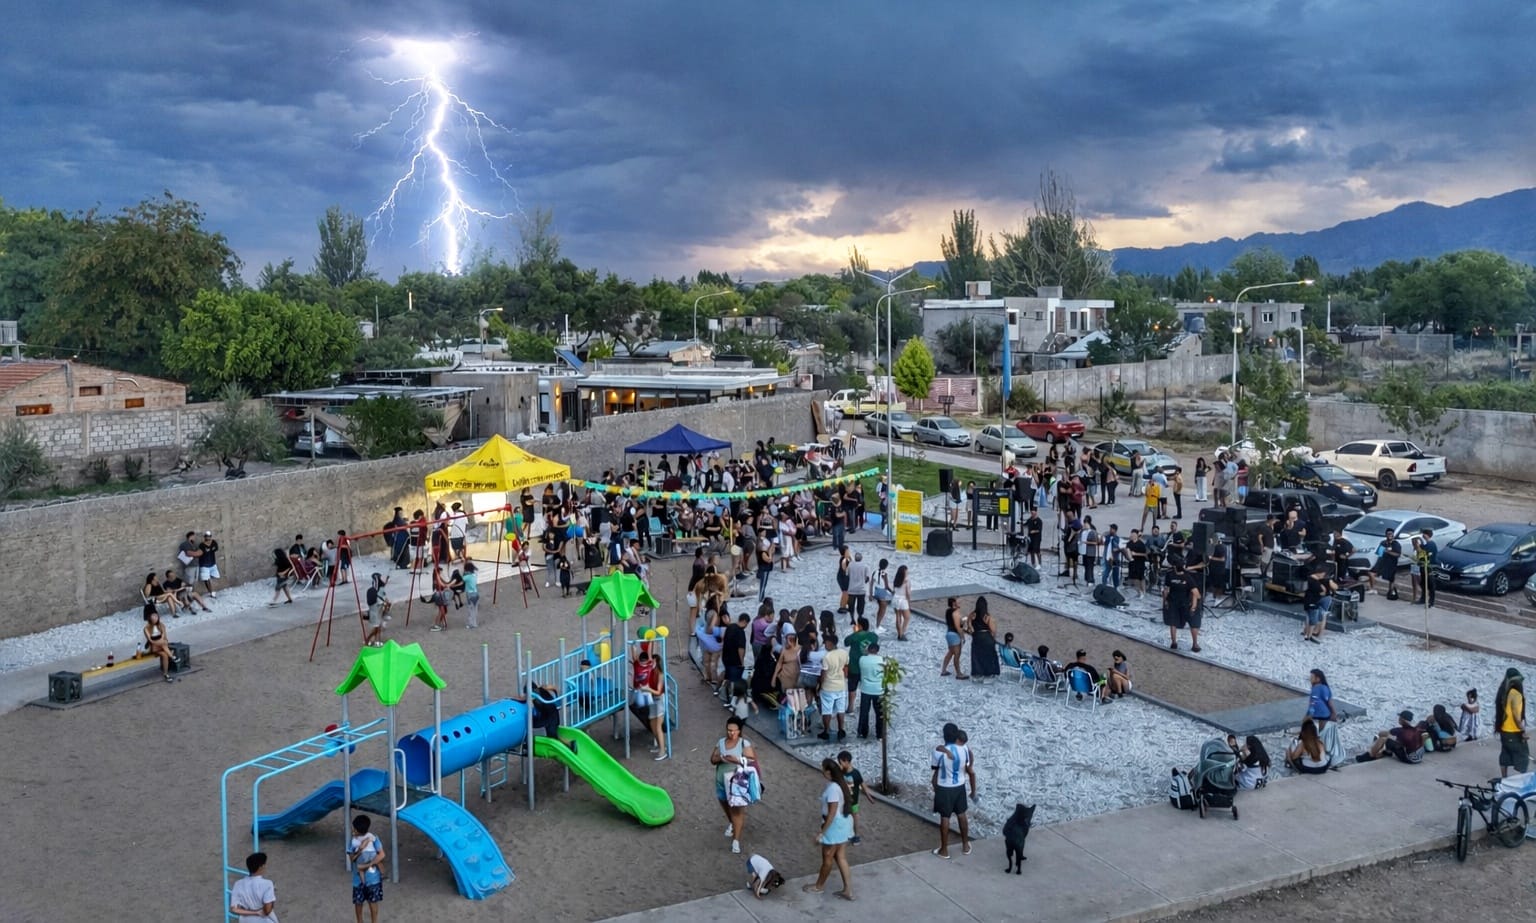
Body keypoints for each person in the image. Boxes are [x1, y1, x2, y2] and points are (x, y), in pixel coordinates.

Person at [804, 757, 855, 899]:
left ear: (828, 772)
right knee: (841, 857)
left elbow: (831, 814)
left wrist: (822, 833)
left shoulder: (832, 789)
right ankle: (848, 889)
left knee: (827, 858)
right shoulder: (840, 784)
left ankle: (819, 886)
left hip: (834, 827)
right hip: (844, 823)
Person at [712, 716, 757, 854]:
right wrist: (721, 758)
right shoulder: (721, 742)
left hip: (737, 785)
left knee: (737, 811)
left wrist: (737, 759)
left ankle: (736, 840)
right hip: (721, 782)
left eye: (734, 730)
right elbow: (712, 759)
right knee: (726, 806)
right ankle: (732, 823)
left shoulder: (744, 744)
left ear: (739, 731)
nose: (731, 733)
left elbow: (752, 759)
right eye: (729, 730)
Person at [930, 722, 974, 859]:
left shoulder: (938, 752)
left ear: (944, 735)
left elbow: (935, 770)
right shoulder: (964, 748)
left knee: (945, 817)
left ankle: (944, 850)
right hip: (959, 786)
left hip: (944, 787)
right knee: (961, 814)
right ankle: (965, 845)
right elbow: (969, 764)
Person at [348, 814, 386, 923]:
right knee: (368, 902)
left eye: (354, 828)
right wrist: (362, 850)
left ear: (358, 830)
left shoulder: (354, 841)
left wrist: (366, 865)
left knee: (360, 902)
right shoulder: (372, 838)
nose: (353, 830)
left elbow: (352, 859)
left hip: (365, 879)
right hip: (372, 877)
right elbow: (381, 855)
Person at [1161, 559, 1202, 652]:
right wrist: (1194, 606)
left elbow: (1166, 590)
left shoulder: (1169, 575)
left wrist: (1165, 602)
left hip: (1173, 602)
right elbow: (1196, 594)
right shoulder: (1188, 577)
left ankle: (1173, 643)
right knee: (1193, 623)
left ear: (1174, 567)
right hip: (1186, 604)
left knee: (1173, 623)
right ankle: (1195, 644)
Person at [1357, 711, 1425, 764]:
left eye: (1400, 718)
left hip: (1410, 759)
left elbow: (1381, 733)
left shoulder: (1399, 731)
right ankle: (1387, 752)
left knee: (1382, 739)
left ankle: (1369, 756)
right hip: (1419, 757)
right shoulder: (1418, 728)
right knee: (1393, 741)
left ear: (1402, 719)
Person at [1496, 667, 1529, 777]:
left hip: (1504, 730)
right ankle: (1523, 780)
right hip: (1513, 731)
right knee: (1523, 756)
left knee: (1505, 753)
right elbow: (1516, 717)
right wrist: (1523, 731)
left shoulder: (1505, 693)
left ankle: (1504, 778)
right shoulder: (1516, 695)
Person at [818, 633, 849, 741]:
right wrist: (844, 677)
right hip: (841, 686)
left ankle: (826, 731)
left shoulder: (827, 657)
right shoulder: (844, 653)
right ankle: (841, 730)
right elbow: (846, 667)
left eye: (826, 643)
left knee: (827, 710)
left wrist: (820, 686)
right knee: (841, 709)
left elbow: (823, 674)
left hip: (828, 687)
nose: (825, 645)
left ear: (831, 643)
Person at [229, 851, 278, 921]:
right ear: (261, 866)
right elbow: (267, 910)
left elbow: (234, 909)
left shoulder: (238, 884)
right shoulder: (268, 884)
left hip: (245, 920)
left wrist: (254, 913)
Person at [1301, 561, 1336, 645]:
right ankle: (1318, 633)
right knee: (1322, 616)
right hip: (1325, 598)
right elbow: (1334, 587)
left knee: (1311, 616)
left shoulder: (1311, 578)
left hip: (1314, 599)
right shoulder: (1327, 579)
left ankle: (1308, 632)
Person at [856, 642, 886, 740]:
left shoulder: (862, 659)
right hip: (878, 689)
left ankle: (863, 732)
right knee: (879, 713)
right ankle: (880, 734)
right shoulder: (882, 660)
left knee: (864, 711)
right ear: (877, 651)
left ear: (868, 649)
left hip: (866, 689)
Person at [142, 605, 177, 682]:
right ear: (149, 618)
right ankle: (172, 656)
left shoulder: (161, 625)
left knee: (164, 655)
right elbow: (151, 641)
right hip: (154, 647)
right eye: (153, 616)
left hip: (162, 646)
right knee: (163, 643)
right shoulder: (146, 628)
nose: (155, 617)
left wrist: (162, 641)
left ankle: (166, 674)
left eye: (156, 615)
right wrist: (160, 642)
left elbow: (164, 637)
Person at [968, 596, 1000, 681]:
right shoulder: (987, 617)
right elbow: (993, 630)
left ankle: (977, 673)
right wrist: (993, 639)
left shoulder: (972, 615)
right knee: (989, 656)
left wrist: (974, 633)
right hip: (987, 637)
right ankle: (989, 673)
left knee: (976, 656)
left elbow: (970, 627)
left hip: (977, 637)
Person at [1368, 529, 1402, 600]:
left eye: (1391, 533)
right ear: (1386, 535)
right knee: (1371, 573)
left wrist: (1388, 552)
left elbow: (1398, 554)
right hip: (1382, 562)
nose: (1390, 535)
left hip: (1391, 563)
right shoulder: (1383, 543)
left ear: (1393, 535)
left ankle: (1391, 592)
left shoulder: (1396, 544)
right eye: (1388, 534)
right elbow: (1379, 553)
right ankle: (1372, 589)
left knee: (1391, 579)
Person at [939, 597, 967, 680]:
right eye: (958, 602)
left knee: (950, 652)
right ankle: (959, 674)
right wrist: (963, 637)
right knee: (957, 655)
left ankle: (943, 670)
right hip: (955, 635)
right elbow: (958, 627)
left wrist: (962, 621)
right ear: (954, 603)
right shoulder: (956, 613)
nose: (960, 602)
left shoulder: (948, 611)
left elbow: (953, 623)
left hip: (949, 634)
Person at [722, 612, 749, 686]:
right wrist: (742, 662)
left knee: (727, 676)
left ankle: (720, 689)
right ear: (744, 621)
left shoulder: (730, 627)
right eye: (747, 624)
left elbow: (723, 639)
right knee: (735, 681)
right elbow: (741, 649)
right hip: (735, 661)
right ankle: (732, 692)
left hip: (725, 657)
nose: (746, 626)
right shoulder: (741, 632)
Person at [364, 574, 388, 647]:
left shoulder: (374, 588)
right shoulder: (379, 590)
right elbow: (382, 600)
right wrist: (385, 604)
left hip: (375, 611)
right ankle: (370, 640)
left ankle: (374, 640)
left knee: (378, 628)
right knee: (377, 628)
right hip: (376, 612)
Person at [891, 565, 913, 641]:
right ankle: (902, 633)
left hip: (895, 599)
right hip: (903, 599)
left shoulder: (896, 579)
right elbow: (908, 593)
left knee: (898, 617)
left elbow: (894, 590)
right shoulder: (907, 580)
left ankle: (899, 633)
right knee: (907, 617)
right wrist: (909, 602)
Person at [198, 530, 221, 598]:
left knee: (215, 577)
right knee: (206, 579)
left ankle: (212, 590)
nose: (208, 538)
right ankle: (211, 592)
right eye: (207, 536)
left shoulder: (213, 542)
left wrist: (209, 547)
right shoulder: (201, 545)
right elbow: (201, 552)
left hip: (212, 563)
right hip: (204, 564)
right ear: (205, 537)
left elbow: (215, 548)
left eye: (209, 536)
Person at [461, 562, 480, 629]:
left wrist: (464, 573)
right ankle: (474, 623)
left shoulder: (467, 577)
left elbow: (461, 579)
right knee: (475, 609)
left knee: (470, 609)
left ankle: (471, 624)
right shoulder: (474, 574)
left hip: (470, 594)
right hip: (476, 593)